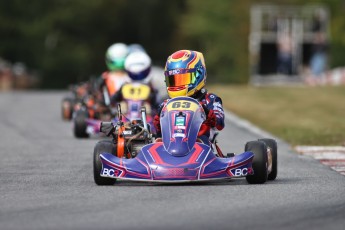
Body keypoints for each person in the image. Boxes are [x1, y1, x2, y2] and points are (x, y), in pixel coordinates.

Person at [153, 50, 225, 145]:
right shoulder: (166, 104)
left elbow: (219, 124)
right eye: (173, 80)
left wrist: (207, 113)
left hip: (201, 146)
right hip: (168, 147)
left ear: (198, 74)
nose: (178, 84)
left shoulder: (210, 99)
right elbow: (157, 128)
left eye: (183, 79)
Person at [111, 50, 159, 118]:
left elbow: (157, 102)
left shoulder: (150, 86)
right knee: (121, 106)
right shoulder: (124, 86)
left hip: (146, 120)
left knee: (147, 108)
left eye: (141, 74)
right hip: (126, 119)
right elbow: (113, 100)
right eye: (134, 75)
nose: (137, 77)